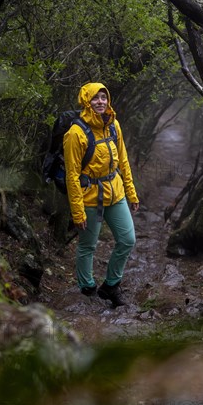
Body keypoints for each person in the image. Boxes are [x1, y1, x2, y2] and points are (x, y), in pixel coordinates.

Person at [63, 82, 139, 307]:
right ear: (86, 101)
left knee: (127, 240)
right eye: (95, 98)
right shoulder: (75, 134)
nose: (100, 102)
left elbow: (123, 161)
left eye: (103, 98)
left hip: (115, 193)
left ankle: (111, 286)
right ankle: (87, 288)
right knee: (88, 246)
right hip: (89, 199)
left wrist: (131, 193)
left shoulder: (113, 124)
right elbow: (72, 176)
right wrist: (78, 213)